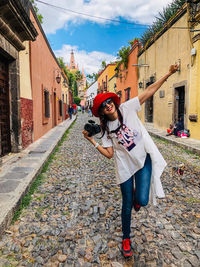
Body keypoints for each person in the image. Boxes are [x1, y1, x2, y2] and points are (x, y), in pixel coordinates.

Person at [82, 64, 178, 258]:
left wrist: (168, 73)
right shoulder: (106, 128)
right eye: (104, 105)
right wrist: (91, 140)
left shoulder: (128, 107)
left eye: (109, 101)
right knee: (126, 204)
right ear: (101, 111)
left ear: (113, 102)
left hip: (143, 160)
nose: (108, 105)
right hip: (125, 167)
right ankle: (126, 238)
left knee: (141, 200)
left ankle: (137, 197)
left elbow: (149, 91)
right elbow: (109, 154)